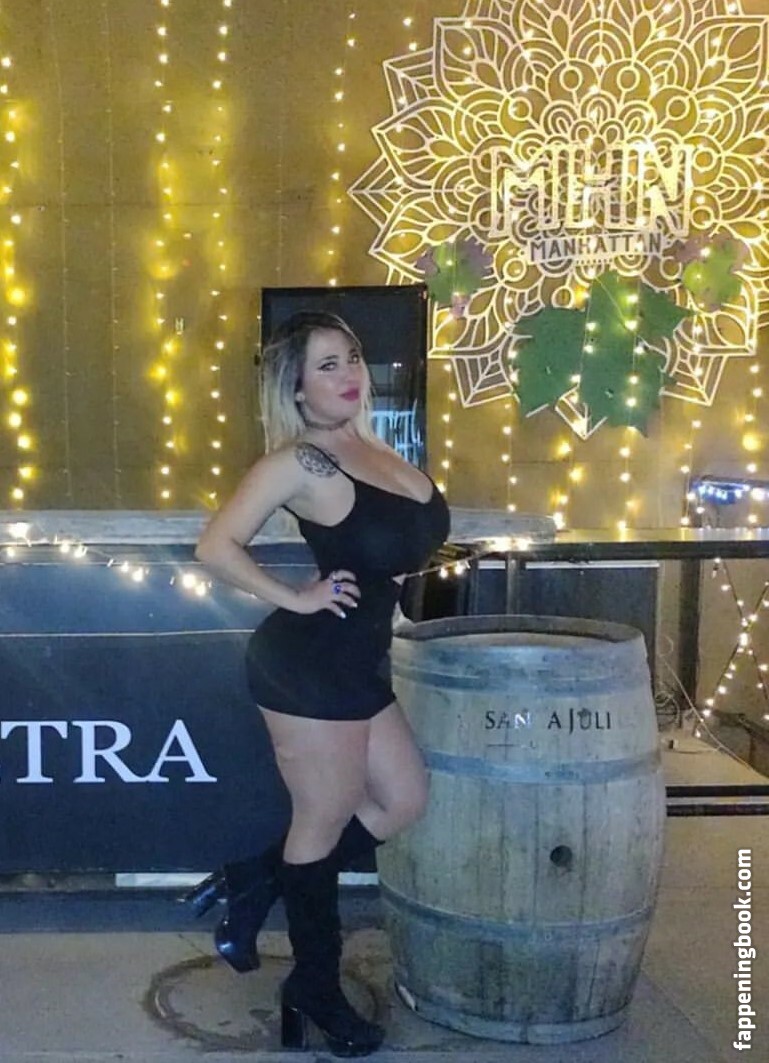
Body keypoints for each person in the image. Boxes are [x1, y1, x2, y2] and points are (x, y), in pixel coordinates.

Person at [188, 310, 450, 1057]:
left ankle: (254, 876)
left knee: (403, 799)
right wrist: (296, 596)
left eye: (353, 357)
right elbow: (215, 545)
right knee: (323, 818)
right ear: (297, 390)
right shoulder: (302, 462)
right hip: (305, 666)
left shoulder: (373, 447)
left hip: (356, 660)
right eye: (327, 365)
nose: (348, 374)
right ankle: (315, 987)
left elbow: (400, 545)